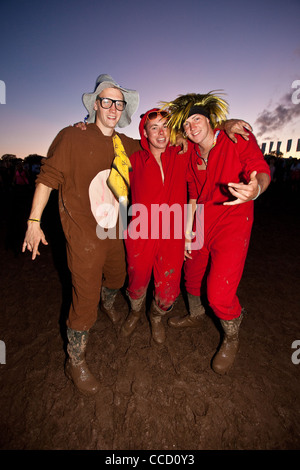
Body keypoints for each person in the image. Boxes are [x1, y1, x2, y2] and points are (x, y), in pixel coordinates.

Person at [22, 74, 140, 396]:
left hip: (115, 227)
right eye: (107, 100)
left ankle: (109, 301)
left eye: (119, 102)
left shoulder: (127, 145)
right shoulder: (72, 137)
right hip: (83, 233)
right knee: (84, 298)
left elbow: (160, 144)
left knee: (116, 278)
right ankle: (75, 361)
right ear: (95, 104)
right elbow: (46, 179)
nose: (113, 107)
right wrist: (34, 220)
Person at [120, 108, 254, 345]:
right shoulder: (133, 159)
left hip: (173, 234)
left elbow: (202, 133)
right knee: (136, 282)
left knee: (168, 290)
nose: (161, 133)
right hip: (141, 232)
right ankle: (135, 311)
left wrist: (226, 123)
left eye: (165, 127)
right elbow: (115, 189)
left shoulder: (181, 153)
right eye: (154, 128)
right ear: (145, 133)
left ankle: (156, 317)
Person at [165, 92, 270, 375]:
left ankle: (232, 335)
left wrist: (255, 190)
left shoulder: (236, 138)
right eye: (185, 124)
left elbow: (261, 171)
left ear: (211, 120)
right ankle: (196, 315)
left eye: (196, 119)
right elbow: (191, 195)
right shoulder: (189, 154)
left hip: (233, 222)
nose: (190, 127)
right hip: (201, 222)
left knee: (219, 294)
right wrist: (187, 232)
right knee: (191, 275)